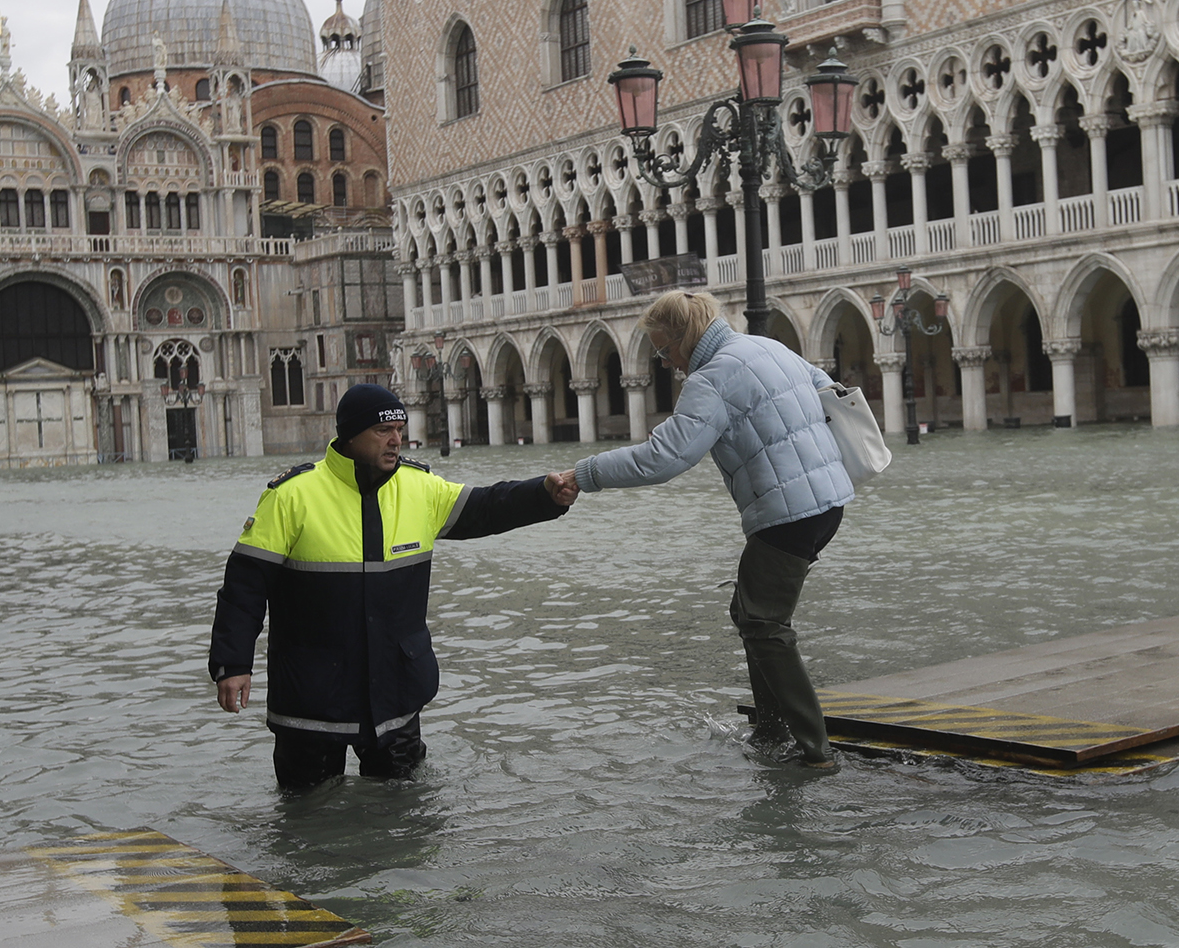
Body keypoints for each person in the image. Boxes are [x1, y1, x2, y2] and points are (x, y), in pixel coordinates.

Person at [209, 383, 578, 792]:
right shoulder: (292, 496)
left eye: (400, 429)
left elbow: (488, 506)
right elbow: (244, 586)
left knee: (405, 819)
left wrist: (545, 496)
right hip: (311, 695)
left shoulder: (421, 488)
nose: (396, 440)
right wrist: (233, 665)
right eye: (383, 431)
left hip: (396, 692)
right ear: (350, 435)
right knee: (305, 819)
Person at [555, 291, 853, 772]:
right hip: (828, 500)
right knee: (749, 611)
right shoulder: (769, 347)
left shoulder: (712, 377)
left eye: (663, 349)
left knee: (765, 625)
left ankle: (813, 750)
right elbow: (829, 390)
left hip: (789, 510)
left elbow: (665, 457)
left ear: (683, 338)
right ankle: (772, 728)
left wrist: (585, 474)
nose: (666, 362)